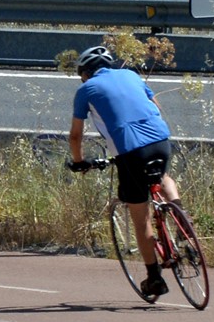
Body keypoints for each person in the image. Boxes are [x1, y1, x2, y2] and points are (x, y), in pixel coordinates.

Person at [67, 44, 182, 302]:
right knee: (163, 178)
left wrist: (79, 162)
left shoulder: (85, 90)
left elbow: (75, 136)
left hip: (130, 150)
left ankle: (154, 278)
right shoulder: (131, 75)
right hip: (160, 140)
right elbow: (155, 106)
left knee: (140, 217)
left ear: (85, 73)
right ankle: (181, 217)